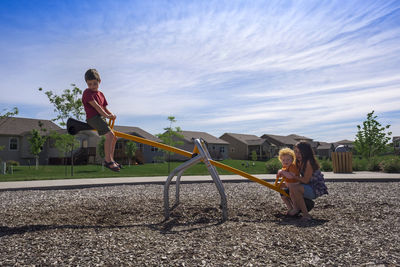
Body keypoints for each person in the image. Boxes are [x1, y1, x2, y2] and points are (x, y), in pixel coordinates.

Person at [82, 69, 120, 172]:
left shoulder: (101, 94)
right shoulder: (87, 92)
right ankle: (108, 160)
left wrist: (111, 114)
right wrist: (107, 116)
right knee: (110, 135)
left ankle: (111, 159)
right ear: (86, 83)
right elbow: (97, 107)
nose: (92, 86)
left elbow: (104, 108)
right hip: (93, 118)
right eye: (89, 84)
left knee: (114, 137)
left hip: (101, 117)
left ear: (99, 81)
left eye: (95, 83)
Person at [279, 142, 328, 221]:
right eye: (296, 152)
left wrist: (293, 176)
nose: (297, 154)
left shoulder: (309, 162)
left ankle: (306, 214)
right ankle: (293, 209)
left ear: (306, 152)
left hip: (315, 188)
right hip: (307, 185)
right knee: (285, 188)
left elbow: (305, 180)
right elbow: (292, 174)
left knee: (295, 188)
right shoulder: (298, 162)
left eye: (300, 152)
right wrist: (284, 173)